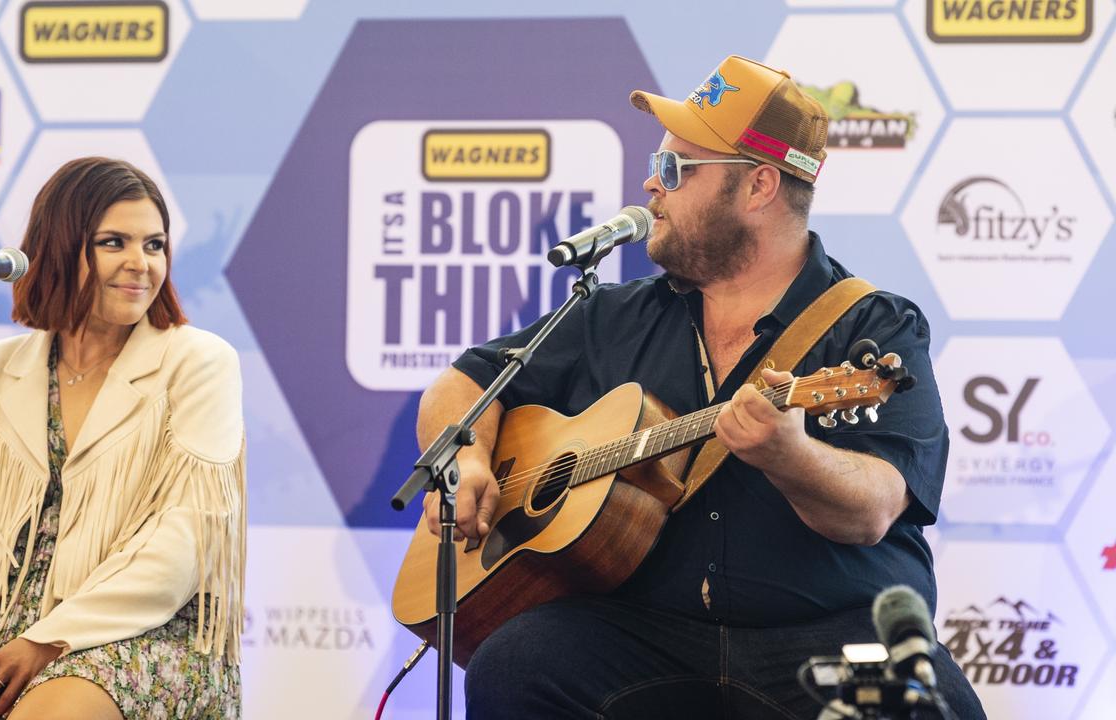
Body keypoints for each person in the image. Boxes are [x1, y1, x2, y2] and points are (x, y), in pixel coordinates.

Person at [418, 55, 985, 719]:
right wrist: (469, 456)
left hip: (826, 639)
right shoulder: (608, 314)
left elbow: (874, 509)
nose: (649, 186)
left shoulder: (871, 326)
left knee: (925, 706)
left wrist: (789, 454)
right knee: (514, 664)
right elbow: (464, 386)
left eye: (672, 170)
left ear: (759, 187)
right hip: (649, 635)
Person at [0, 157, 246, 720]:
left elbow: (185, 545)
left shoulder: (199, 361)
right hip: (1, 631)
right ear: (60, 247)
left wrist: (47, 642)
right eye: (114, 242)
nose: (141, 264)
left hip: (145, 633)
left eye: (155, 245)